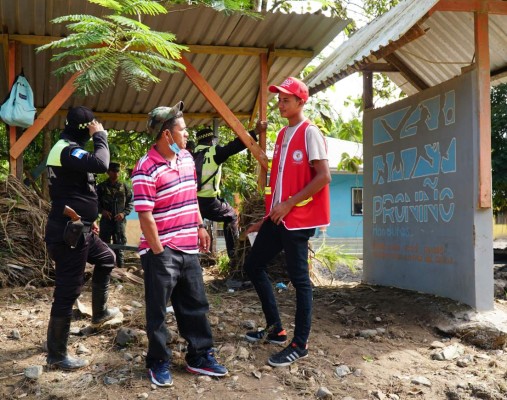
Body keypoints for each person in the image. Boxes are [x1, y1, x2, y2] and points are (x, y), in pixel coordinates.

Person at [131, 101, 228, 388]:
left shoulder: (185, 158)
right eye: (182, 130)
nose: (187, 135)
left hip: (188, 247)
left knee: (195, 305)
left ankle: (199, 356)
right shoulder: (145, 168)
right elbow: (145, 216)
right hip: (162, 250)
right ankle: (158, 361)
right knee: (158, 311)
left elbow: (190, 196)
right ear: (167, 135)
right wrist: (159, 251)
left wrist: (199, 225)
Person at [243, 77, 331, 367]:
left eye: (286, 100)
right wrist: (265, 219)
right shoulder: (282, 134)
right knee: (253, 265)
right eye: (279, 99)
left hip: (298, 218)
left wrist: (290, 204)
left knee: (300, 281)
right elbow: (279, 183)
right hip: (278, 218)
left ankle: (300, 344)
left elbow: (323, 177)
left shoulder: (310, 133)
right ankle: (277, 330)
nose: (281, 104)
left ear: (301, 102)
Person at [44, 106, 120, 370]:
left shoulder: (70, 149)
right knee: (67, 290)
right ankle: (56, 355)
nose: (93, 130)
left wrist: (92, 218)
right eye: (90, 127)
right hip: (69, 233)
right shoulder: (66, 149)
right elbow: (101, 164)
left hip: (82, 228)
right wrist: (100, 136)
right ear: (83, 129)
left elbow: (81, 186)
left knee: (107, 258)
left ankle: (99, 314)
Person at [194, 123, 263, 261]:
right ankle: (234, 256)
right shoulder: (214, 152)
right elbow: (235, 145)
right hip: (209, 202)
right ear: (211, 141)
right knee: (230, 216)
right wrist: (255, 132)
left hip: (191, 203)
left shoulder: (189, 154)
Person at [97, 162, 133, 267]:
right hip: (106, 221)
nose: (116, 174)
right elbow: (95, 202)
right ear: (108, 172)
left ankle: (120, 271)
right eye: (113, 171)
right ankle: (104, 269)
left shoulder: (125, 187)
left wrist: (123, 213)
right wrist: (102, 211)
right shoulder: (101, 187)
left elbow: (130, 203)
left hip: (119, 222)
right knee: (104, 245)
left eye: (118, 171)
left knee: (120, 246)